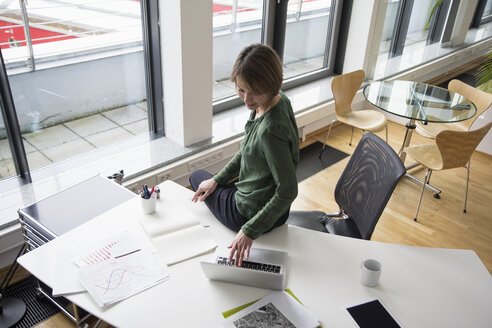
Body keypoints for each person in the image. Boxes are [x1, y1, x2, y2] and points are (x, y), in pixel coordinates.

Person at [190, 43, 299, 267]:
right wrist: (217, 180)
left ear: (272, 85)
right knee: (210, 181)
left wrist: (249, 230)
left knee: (195, 177)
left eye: (255, 92)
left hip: (250, 215)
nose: (247, 99)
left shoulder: (270, 132)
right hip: (276, 210)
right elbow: (246, 151)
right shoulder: (277, 101)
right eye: (241, 89)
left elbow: (288, 190)